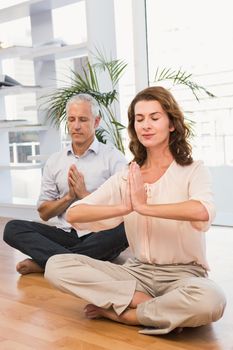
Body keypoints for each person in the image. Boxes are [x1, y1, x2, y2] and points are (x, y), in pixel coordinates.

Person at [44, 86, 226, 335]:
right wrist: (125, 207)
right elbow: (76, 214)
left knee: (211, 300)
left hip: (184, 274)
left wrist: (145, 208)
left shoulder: (193, 170)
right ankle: (147, 305)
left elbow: (202, 211)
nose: (146, 125)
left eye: (154, 117)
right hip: (136, 273)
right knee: (56, 265)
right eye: (139, 119)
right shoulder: (127, 177)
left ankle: (130, 315)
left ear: (171, 124)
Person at [3, 93, 128, 275]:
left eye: (83, 120)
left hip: (100, 234)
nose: (76, 126)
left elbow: (123, 208)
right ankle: (75, 263)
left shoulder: (113, 158)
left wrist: (84, 195)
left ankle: (46, 264)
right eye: (71, 119)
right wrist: (69, 197)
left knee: (125, 230)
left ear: (96, 122)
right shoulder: (55, 161)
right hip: (64, 235)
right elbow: (44, 213)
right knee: (12, 228)